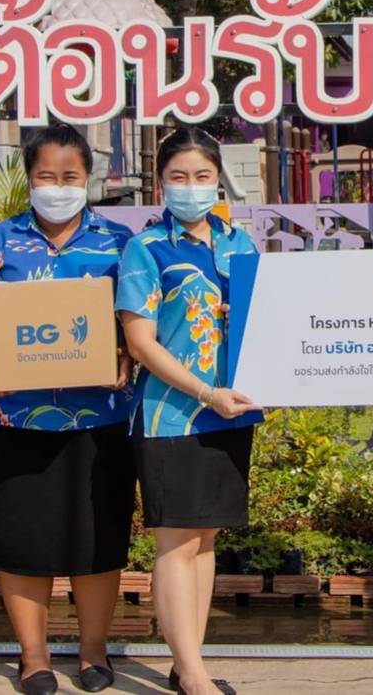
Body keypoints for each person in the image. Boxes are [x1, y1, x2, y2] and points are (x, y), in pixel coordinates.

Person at [0, 125, 134, 695]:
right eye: (46, 176)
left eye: (69, 176)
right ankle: (33, 658)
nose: (58, 187)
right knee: (22, 541)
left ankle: (94, 652)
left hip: (99, 418)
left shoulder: (119, 243)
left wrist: (126, 354)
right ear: (29, 179)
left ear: (88, 179)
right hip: (12, 420)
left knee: (97, 541)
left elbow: (139, 319)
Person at [117, 127, 260, 695]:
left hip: (231, 414)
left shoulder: (240, 244)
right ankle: (193, 674)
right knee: (176, 542)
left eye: (202, 176)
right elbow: (140, 343)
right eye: (179, 177)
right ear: (160, 184)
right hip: (169, 416)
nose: (191, 186)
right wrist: (204, 392)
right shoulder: (147, 249)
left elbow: (263, 322)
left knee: (205, 540)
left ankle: (188, 661)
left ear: (218, 180)